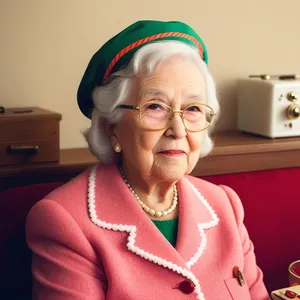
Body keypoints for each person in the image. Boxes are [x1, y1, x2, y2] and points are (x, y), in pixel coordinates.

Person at [26, 20, 270, 300]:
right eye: (155, 106)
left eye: (192, 109)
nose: (178, 129)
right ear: (111, 127)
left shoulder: (224, 204)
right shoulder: (64, 221)